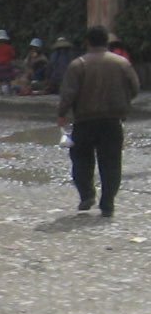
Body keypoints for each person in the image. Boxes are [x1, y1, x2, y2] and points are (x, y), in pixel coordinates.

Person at [57, 25, 139, 217]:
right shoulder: (122, 63)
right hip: (112, 121)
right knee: (111, 163)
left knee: (81, 160)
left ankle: (87, 194)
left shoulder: (78, 65)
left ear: (87, 42)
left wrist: (61, 113)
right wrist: (123, 101)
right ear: (107, 42)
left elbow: (68, 94)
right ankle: (108, 203)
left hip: (84, 121)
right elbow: (134, 87)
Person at [0, 29, 16, 95]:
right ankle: (9, 91)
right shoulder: (9, 48)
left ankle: (0, 91)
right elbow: (13, 55)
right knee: (8, 79)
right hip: (7, 65)